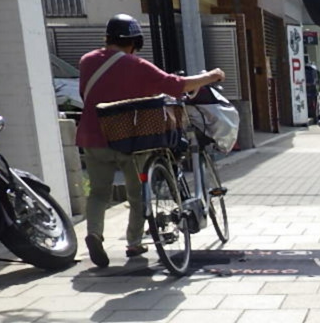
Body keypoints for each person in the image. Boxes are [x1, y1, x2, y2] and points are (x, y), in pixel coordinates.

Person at [76, 14, 225, 267]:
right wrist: (212, 75)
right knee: (137, 194)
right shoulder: (137, 65)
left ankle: (94, 233)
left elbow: (86, 94)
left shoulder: (87, 61)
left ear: (108, 37)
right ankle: (134, 242)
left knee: (99, 193)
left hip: (91, 137)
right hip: (128, 141)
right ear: (135, 41)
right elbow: (176, 84)